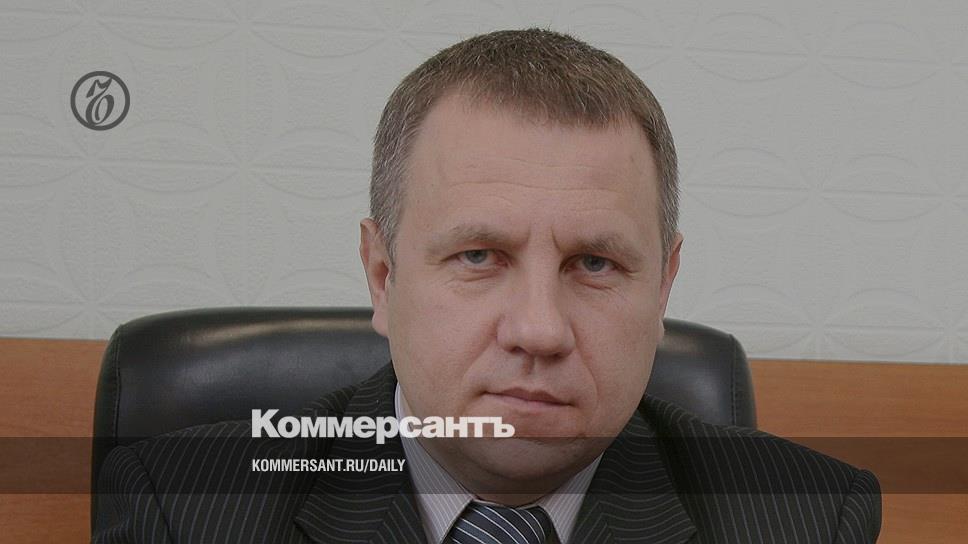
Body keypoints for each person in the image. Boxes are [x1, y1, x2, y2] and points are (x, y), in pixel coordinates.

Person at [93, 28, 881, 543]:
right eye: (479, 256)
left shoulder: (810, 519)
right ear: (383, 276)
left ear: (665, 286)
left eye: (595, 264)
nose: (539, 330)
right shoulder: (185, 509)